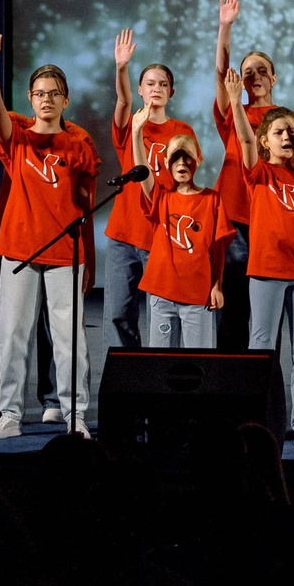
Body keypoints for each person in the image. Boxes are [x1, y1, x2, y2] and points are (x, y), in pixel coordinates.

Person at [0, 22, 101, 439]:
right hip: (18, 252)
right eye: (39, 94)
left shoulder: (79, 145)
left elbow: (85, 206)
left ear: (65, 100)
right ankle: (10, 413)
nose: (46, 100)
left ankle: (74, 413)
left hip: (65, 254)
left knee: (68, 339)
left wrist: (89, 260)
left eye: (53, 94)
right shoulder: (18, 138)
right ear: (30, 98)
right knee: (12, 335)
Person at [211, 0, 294, 351]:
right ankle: (231, 390)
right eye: (247, 71)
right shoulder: (233, 112)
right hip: (237, 218)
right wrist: (226, 27)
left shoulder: (291, 120)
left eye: (262, 71)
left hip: (274, 222)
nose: (254, 76)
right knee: (235, 308)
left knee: (274, 318)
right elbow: (222, 69)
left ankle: (268, 389)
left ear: (274, 78)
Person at [230, 79, 294, 443]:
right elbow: (242, 140)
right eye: (278, 131)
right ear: (265, 141)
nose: (287, 136)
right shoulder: (258, 174)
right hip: (265, 272)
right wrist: (234, 102)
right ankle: (258, 420)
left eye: (291, 131)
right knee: (261, 349)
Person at [103, 27, 193, 351]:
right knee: (118, 314)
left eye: (163, 84)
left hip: (161, 235)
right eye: (150, 84)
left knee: (163, 315)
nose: (156, 88)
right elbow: (122, 100)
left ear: (171, 91)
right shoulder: (131, 124)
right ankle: (124, 383)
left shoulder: (181, 130)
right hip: (124, 234)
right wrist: (121, 67)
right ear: (140, 90)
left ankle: (159, 379)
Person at [136, 130, 230, 347]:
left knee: (197, 362)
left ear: (198, 158)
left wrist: (217, 286)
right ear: (166, 162)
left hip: (197, 295)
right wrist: (135, 132)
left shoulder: (212, 200)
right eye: (175, 157)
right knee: (161, 363)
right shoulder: (161, 197)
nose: (181, 162)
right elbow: (142, 171)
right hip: (163, 293)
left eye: (187, 155)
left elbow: (218, 249)